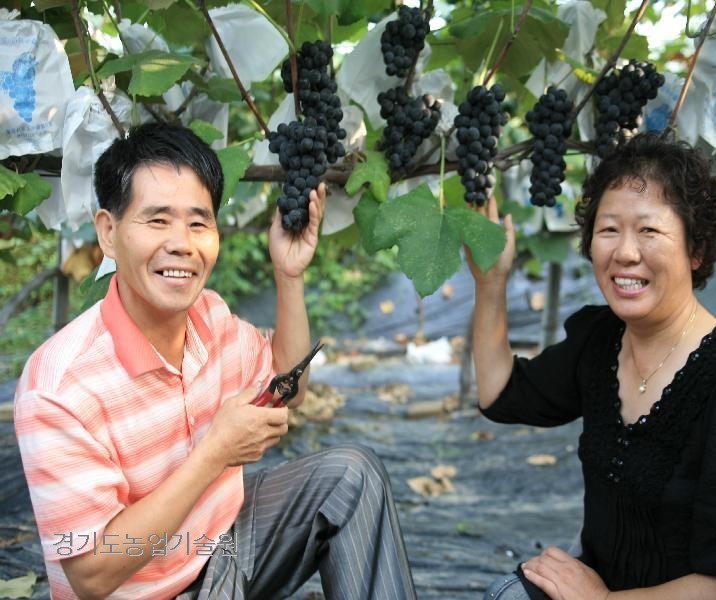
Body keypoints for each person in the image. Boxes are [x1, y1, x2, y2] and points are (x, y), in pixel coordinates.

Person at [14, 122, 417, 600]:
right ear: (108, 232)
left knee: (351, 476)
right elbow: (92, 575)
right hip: (144, 591)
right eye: (158, 220)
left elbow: (292, 390)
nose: (182, 243)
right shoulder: (59, 386)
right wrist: (215, 453)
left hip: (222, 550)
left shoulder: (211, 317)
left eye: (198, 222)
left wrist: (288, 276)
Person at [469, 133, 716, 600]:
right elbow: (500, 393)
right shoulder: (601, 341)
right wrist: (491, 283)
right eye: (609, 230)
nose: (624, 252)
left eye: (649, 230)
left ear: (696, 249)